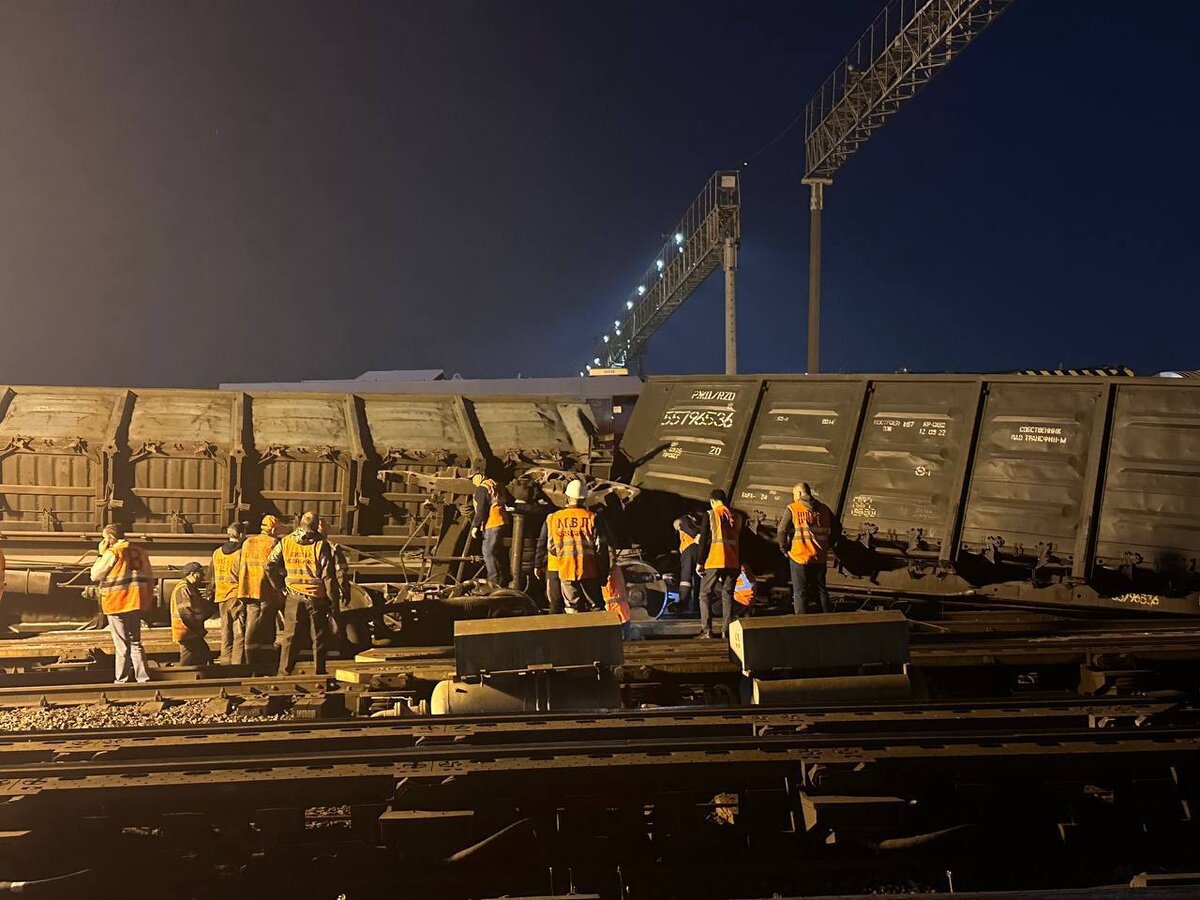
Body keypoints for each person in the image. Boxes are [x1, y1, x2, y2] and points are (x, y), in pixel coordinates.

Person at [266, 511, 340, 675]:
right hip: (316, 597)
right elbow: (328, 576)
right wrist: (334, 602)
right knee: (318, 637)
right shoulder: (321, 545)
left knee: (290, 636)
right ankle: (318, 671)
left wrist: (279, 585)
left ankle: (284, 672)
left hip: (293, 596)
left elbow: (269, 564)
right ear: (315, 527)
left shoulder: (286, 542)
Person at [89, 523, 156, 683]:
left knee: (121, 645)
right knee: (135, 642)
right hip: (135, 602)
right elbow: (149, 577)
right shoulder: (140, 552)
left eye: (104, 538)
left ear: (111, 538)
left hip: (116, 603)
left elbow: (95, 575)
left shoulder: (113, 552)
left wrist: (101, 553)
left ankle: (121, 680)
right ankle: (143, 678)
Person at [541, 479, 611, 613]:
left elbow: (551, 548)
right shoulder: (592, 518)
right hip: (589, 571)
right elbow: (601, 549)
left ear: (567, 497)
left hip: (566, 570)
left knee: (572, 609)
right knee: (596, 607)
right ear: (584, 499)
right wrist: (603, 575)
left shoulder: (554, 518)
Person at [777, 482, 840, 614]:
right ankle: (827, 619)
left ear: (800, 493)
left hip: (800, 556)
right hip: (820, 556)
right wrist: (827, 545)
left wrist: (784, 548)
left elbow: (782, 530)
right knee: (821, 590)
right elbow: (838, 529)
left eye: (794, 494)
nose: (793, 497)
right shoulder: (824, 509)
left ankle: (801, 623)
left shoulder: (793, 508)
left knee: (800, 592)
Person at [237, 514, 283, 674]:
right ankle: (265, 660)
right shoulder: (273, 543)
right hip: (266, 590)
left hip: (248, 588)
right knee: (266, 626)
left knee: (251, 624)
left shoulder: (248, 542)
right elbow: (274, 568)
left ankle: (250, 659)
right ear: (273, 528)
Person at [695, 489, 742, 640]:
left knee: (704, 594)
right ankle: (726, 631)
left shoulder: (711, 514)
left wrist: (700, 562)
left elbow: (704, 541)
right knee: (727, 594)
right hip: (733, 560)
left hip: (715, 558)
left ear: (712, 501)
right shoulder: (736, 516)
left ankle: (707, 631)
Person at [211, 522, 245, 665]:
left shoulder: (217, 552)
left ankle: (225, 663)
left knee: (225, 632)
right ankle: (237, 664)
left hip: (221, 596)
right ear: (242, 535)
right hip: (236, 596)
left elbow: (212, 577)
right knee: (239, 633)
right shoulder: (241, 553)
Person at [470, 471, 511, 586]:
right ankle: (502, 577)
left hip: (492, 523)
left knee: (487, 551)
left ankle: (494, 580)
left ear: (479, 477)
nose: (473, 482)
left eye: (473, 479)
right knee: (496, 551)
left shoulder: (482, 489)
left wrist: (475, 526)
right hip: (501, 520)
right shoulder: (494, 484)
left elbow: (481, 509)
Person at [171, 561, 213, 666]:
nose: (203, 577)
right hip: (186, 631)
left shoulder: (190, 588)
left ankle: (192, 677)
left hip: (189, 631)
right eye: (201, 574)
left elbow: (199, 608)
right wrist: (197, 629)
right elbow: (186, 613)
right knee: (188, 659)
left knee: (201, 654)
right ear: (193, 574)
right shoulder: (183, 588)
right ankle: (183, 678)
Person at [533, 517, 564, 614]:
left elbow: (542, 542)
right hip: (580, 564)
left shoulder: (551, 518)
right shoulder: (585, 516)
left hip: (555, 564)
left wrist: (538, 564)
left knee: (555, 600)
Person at [673, 513, 702, 612]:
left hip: (689, 550)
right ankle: (696, 605)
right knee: (697, 578)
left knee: (686, 577)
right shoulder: (697, 521)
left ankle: (683, 603)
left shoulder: (683, 521)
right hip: (699, 550)